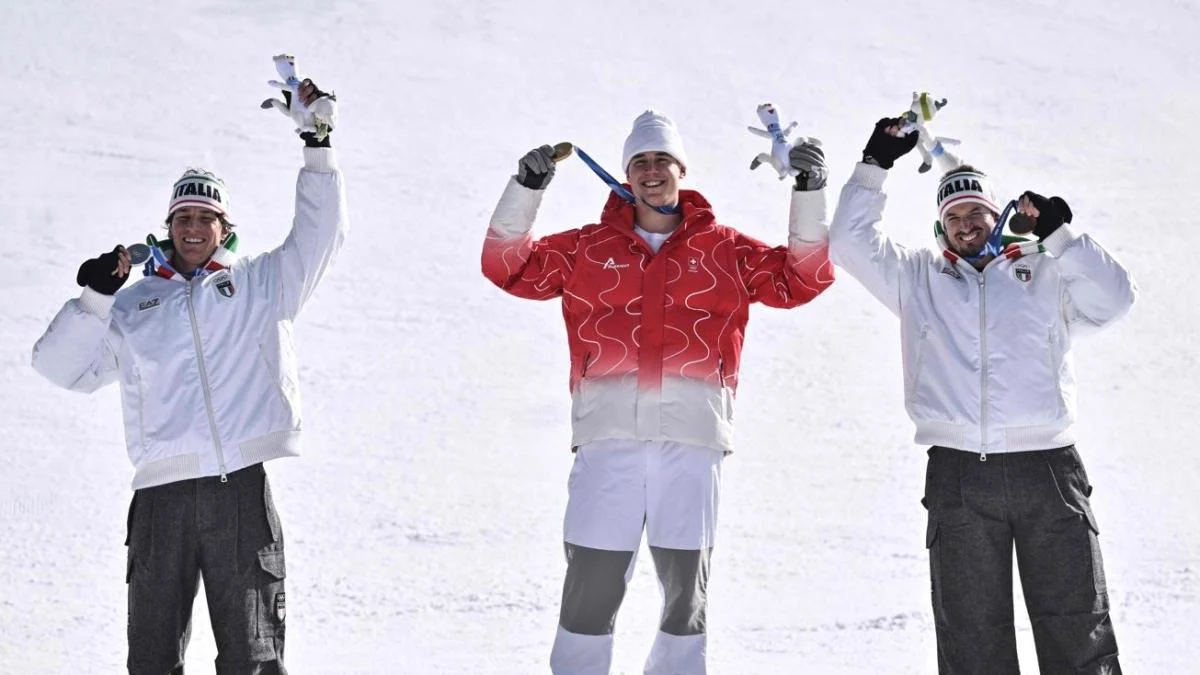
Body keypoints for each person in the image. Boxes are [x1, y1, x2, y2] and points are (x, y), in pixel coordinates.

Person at [481, 110, 835, 674]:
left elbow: (804, 277)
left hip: (691, 444)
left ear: (680, 170)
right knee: (590, 590)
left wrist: (810, 191)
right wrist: (525, 188)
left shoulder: (725, 249)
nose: (651, 171)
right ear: (625, 173)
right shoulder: (585, 248)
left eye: (661, 160)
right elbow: (505, 267)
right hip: (608, 442)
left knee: (684, 595)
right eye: (640, 161)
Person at [30, 56, 347, 675]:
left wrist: (319, 145)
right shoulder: (137, 307)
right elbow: (59, 369)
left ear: (225, 228)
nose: (194, 226)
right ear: (168, 228)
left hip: (239, 489)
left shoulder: (261, 285)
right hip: (160, 497)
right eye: (183, 217)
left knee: (253, 658)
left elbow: (319, 236)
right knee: (151, 659)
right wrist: (94, 299)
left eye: (206, 216)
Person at [827, 117, 1136, 674]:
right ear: (940, 225)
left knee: (1077, 624)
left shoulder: (1045, 271)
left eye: (977, 213)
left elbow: (1115, 301)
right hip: (960, 474)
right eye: (953, 216)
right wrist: (874, 164)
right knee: (971, 636)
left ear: (997, 217)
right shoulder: (917, 278)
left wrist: (1062, 237)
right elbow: (849, 243)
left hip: (1048, 469)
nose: (966, 225)